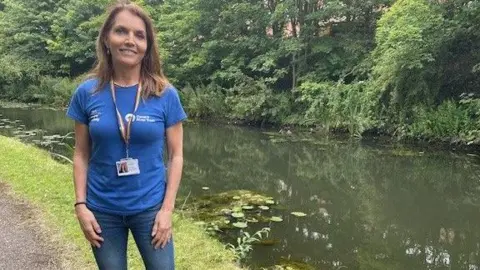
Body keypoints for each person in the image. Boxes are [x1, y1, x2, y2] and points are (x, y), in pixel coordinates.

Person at [66, 1, 187, 269]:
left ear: (147, 46)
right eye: (121, 31)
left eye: (139, 35)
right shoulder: (87, 93)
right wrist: (80, 206)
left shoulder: (165, 94)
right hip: (102, 210)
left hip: (151, 208)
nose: (130, 40)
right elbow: (81, 153)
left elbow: (176, 155)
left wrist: (167, 210)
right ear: (107, 39)